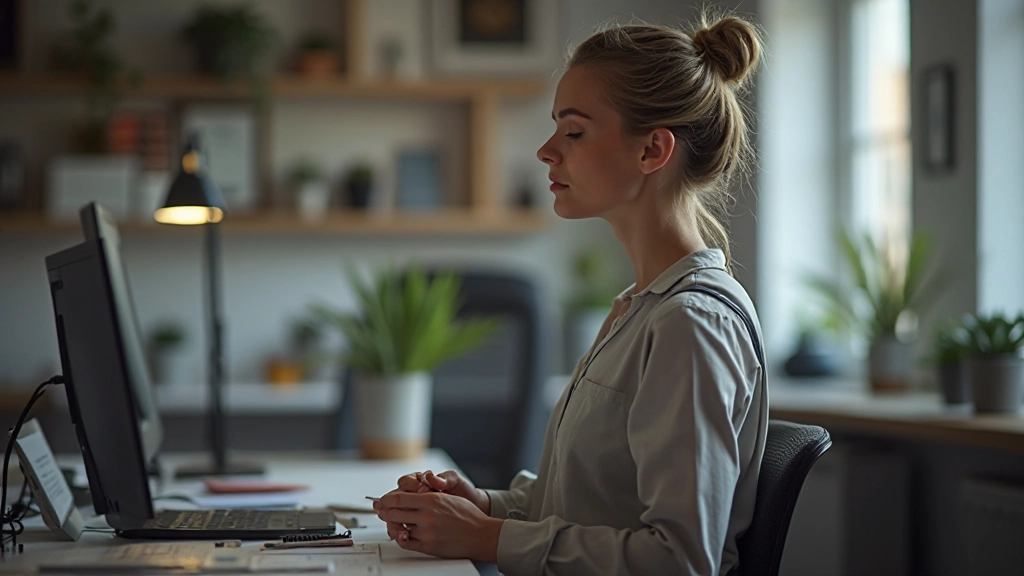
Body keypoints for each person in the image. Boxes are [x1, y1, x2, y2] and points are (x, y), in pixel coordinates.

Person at [373, 14, 768, 576]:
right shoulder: (638, 309)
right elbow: (588, 508)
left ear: (653, 150)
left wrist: (487, 538)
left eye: (574, 131)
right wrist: (481, 508)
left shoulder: (690, 323)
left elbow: (680, 559)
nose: (546, 150)